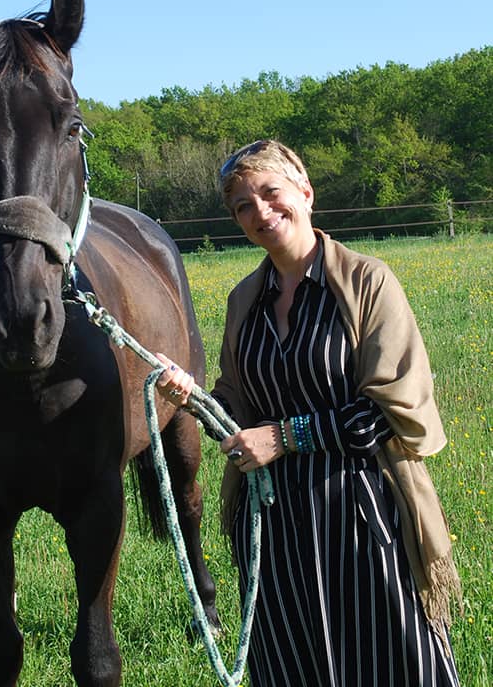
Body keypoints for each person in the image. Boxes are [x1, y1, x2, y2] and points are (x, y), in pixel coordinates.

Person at [156, 139, 462, 686]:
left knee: (390, 660)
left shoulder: (367, 282)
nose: (260, 212)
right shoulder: (243, 300)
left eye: (270, 193)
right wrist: (192, 397)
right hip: (273, 523)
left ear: (305, 193)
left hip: (363, 512)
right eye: (243, 206)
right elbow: (236, 404)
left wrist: (283, 436)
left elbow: (390, 410)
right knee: (290, 665)